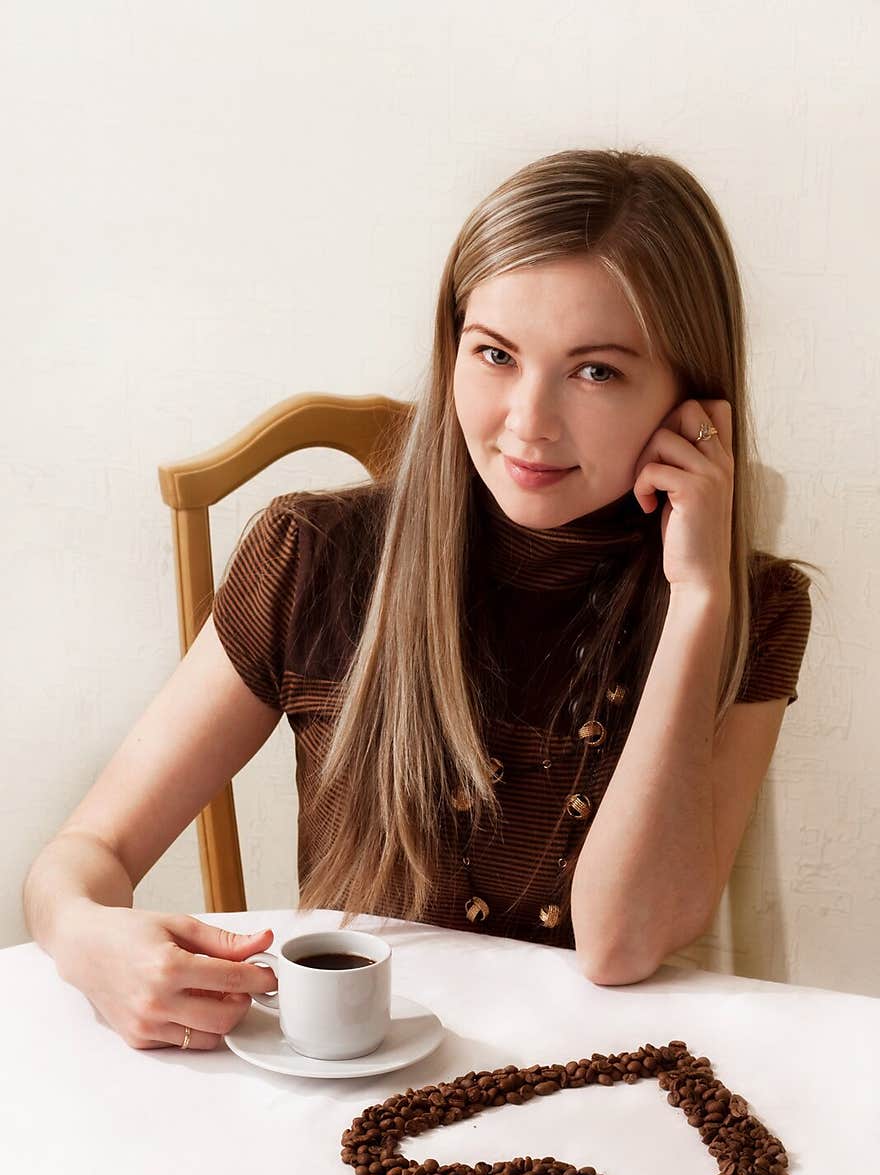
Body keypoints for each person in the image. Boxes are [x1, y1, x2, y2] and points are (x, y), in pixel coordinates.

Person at [23, 147, 816, 1051]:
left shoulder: (753, 607)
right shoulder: (313, 555)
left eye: (596, 371)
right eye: (495, 354)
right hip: (343, 1091)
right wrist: (91, 940)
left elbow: (621, 945)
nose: (528, 421)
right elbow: (81, 860)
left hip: (589, 1089)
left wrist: (700, 598)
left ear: (692, 399)